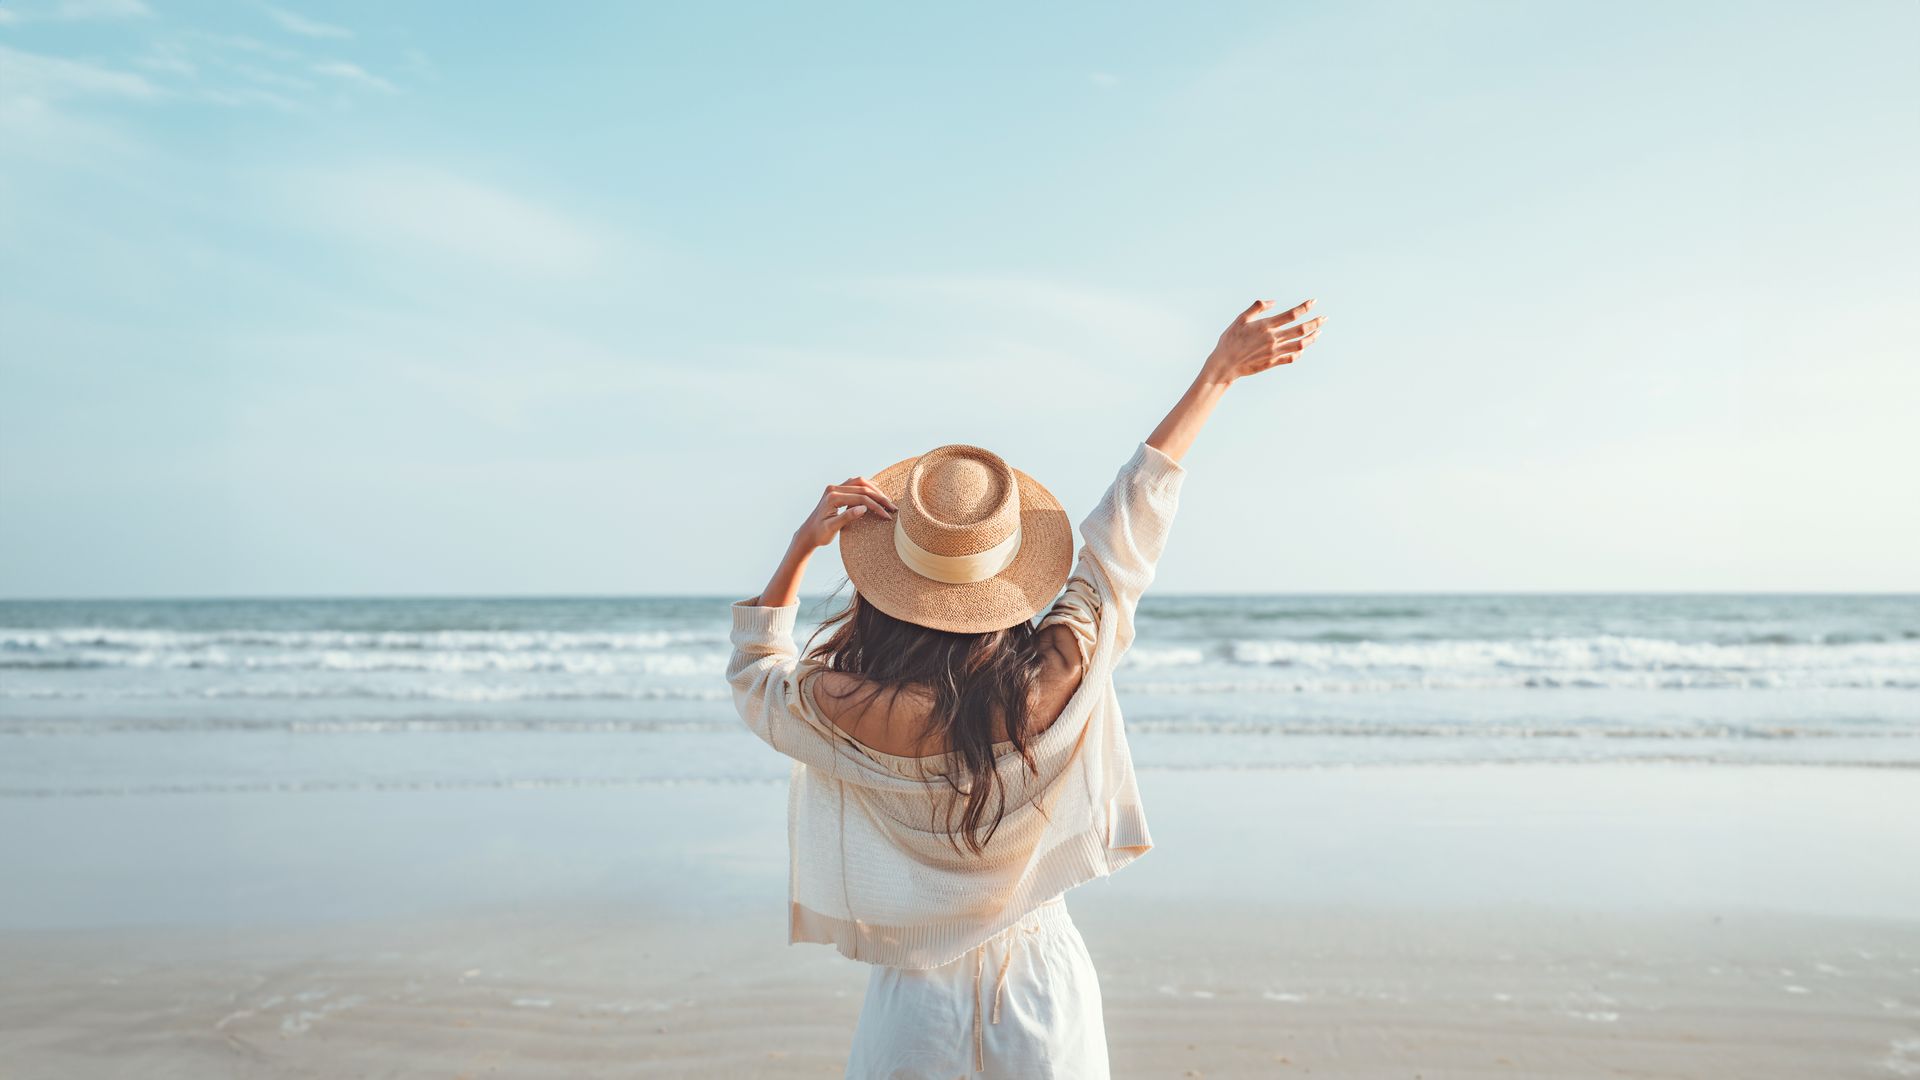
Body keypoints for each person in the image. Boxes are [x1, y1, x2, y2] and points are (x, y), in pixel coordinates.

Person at [726, 297, 1326, 1078]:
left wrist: (803, 546)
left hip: (913, 1007)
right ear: (1006, 580)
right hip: (1043, 991)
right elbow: (1126, 532)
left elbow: (754, 675)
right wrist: (1218, 374)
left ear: (887, 584)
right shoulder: (1055, 679)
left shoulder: (843, 707)